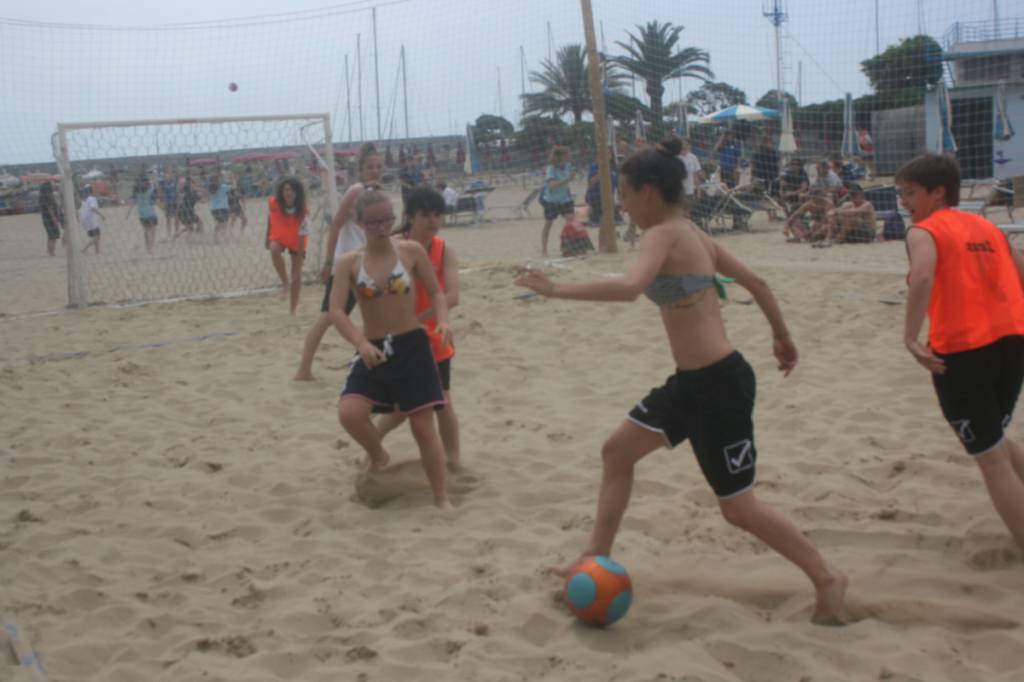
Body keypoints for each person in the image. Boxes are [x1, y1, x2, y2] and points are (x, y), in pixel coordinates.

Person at [514, 138, 847, 625]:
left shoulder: (664, 234)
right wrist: (782, 337)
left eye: (624, 196)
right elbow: (757, 284)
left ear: (648, 192)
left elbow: (629, 289)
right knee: (616, 453)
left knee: (739, 508)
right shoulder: (692, 233)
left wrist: (555, 289)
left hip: (719, 386)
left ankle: (827, 577)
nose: (622, 207)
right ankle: (593, 557)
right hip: (693, 383)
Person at [899, 153, 1024, 551]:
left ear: (938, 193)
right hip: (1013, 343)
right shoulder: (989, 227)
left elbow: (922, 275)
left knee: (990, 459)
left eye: (910, 193)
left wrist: (911, 337)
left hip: (965, 351)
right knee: (995, 438)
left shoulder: (925, 231)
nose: (903, 200)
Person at [328, 189, 453, 510]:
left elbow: (438, 293)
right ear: (359, 223)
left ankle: (441, 498)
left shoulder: (410, 251)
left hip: (412, 344)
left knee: (423, 427)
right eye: (373, 223)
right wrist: (359, 342)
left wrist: (441, 321)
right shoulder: (349, 263)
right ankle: (379, 454)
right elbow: (336, 312)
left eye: (387, 220)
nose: (382, 228)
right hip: (374, 347)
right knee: (350, 413)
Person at [376, 186, 463, 471]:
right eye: (425, 214)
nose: (432, 221)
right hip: (398, 337)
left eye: (438, 214)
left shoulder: (444, 249)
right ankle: (373, 448)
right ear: (410, 217)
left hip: (433, 335)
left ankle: (453, 460)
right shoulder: (390, 246)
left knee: (444, 401)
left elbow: (452, 295)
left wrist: (428, 318)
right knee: (401, 409)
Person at [295, 143, 383, 381]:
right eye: (370, 167)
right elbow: (335, 226)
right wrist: (327, 264)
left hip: (367, 265)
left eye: (378, 166)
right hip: (346, 266)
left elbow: (373, 234)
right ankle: (304, 369)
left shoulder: (378, 193)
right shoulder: (356, 191)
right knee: (328, 318)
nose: (375, 170)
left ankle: (366, 361)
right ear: (361, 170)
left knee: (377, 314)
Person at [265, 177, 309, 315]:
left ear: (297, 193)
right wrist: (267, 236)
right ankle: (285, 284)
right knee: (273, 248)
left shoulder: (303, 212)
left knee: (296, 275)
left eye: (291, 190)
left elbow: (303, 236)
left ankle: (293, 309)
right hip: (280, 236)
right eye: (285, 189)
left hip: (297, 240)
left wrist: (300, 258)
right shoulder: (275, 203)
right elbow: (270, 218)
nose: (288, 193)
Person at [539, 146, 576, 257]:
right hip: (551, 201)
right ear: (562, 156)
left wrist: (569, 193)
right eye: (569, 154)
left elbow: (568, 182)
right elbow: (552, 185)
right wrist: (568, 179)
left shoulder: (569, 166)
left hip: (565, 200)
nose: (571, 155)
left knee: (571, 222)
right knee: (548, 224)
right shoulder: (551, 169)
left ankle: (569, 248)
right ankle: (544, 250)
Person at [126, 175, 159, 254]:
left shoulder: (136, 192)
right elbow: (155, 187)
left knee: (146, 230)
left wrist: (128, 213)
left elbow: (132, 202)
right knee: (152, 230)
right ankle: (151, 247)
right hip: (151, 213)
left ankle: (147, 247)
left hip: (142, 214)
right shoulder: (150, 189)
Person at [678, 138, 704, 216]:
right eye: (683, 145)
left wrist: (698, 190)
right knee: (679, 213)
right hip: (679, 191)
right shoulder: (676, 157)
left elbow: (695, 175)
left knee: (688, 213)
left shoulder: (693, 157)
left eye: (687, 144)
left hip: (690, 191)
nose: (685, 146)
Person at [38, 181, 63, 256]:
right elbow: (50, 209)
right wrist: (54, 219)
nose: (53, 186)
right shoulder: (48, 196)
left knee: (51, 236)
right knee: (52, 236)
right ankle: (51, 252)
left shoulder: (42, 196)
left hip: (45, 218)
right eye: (51, 185)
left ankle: (50, 251)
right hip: (50, 219)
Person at [78, 185, 104, 255]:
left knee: (95, 236)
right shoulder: (91, 198)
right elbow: (93, 208)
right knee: (97, 236)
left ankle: (97, 251)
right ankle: (84, 249)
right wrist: (101, 215)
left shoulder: (84, 199)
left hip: (85, 220)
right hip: (91, 220)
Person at [208, 177, 232, 242]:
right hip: (223, 208)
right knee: (224, 223)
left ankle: (215, 237)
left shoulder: (210, 188)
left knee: (218, 222)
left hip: (214, 209)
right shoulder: (223, 187)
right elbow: (233, 187)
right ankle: (222, 237)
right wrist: (233, 179)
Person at [158, 168, 179, 239]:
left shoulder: (174, 181)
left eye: (170, 173)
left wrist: (178, 199)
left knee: (176, 217)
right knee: (168, 218)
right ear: (164, 174)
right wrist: (161, 201)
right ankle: (169, 233)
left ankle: (176, 232)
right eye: (167, 173)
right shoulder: (162, 182)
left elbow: (176, 191)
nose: (168, 175)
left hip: (174, 201)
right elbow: (160, 192)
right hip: (167, 202)